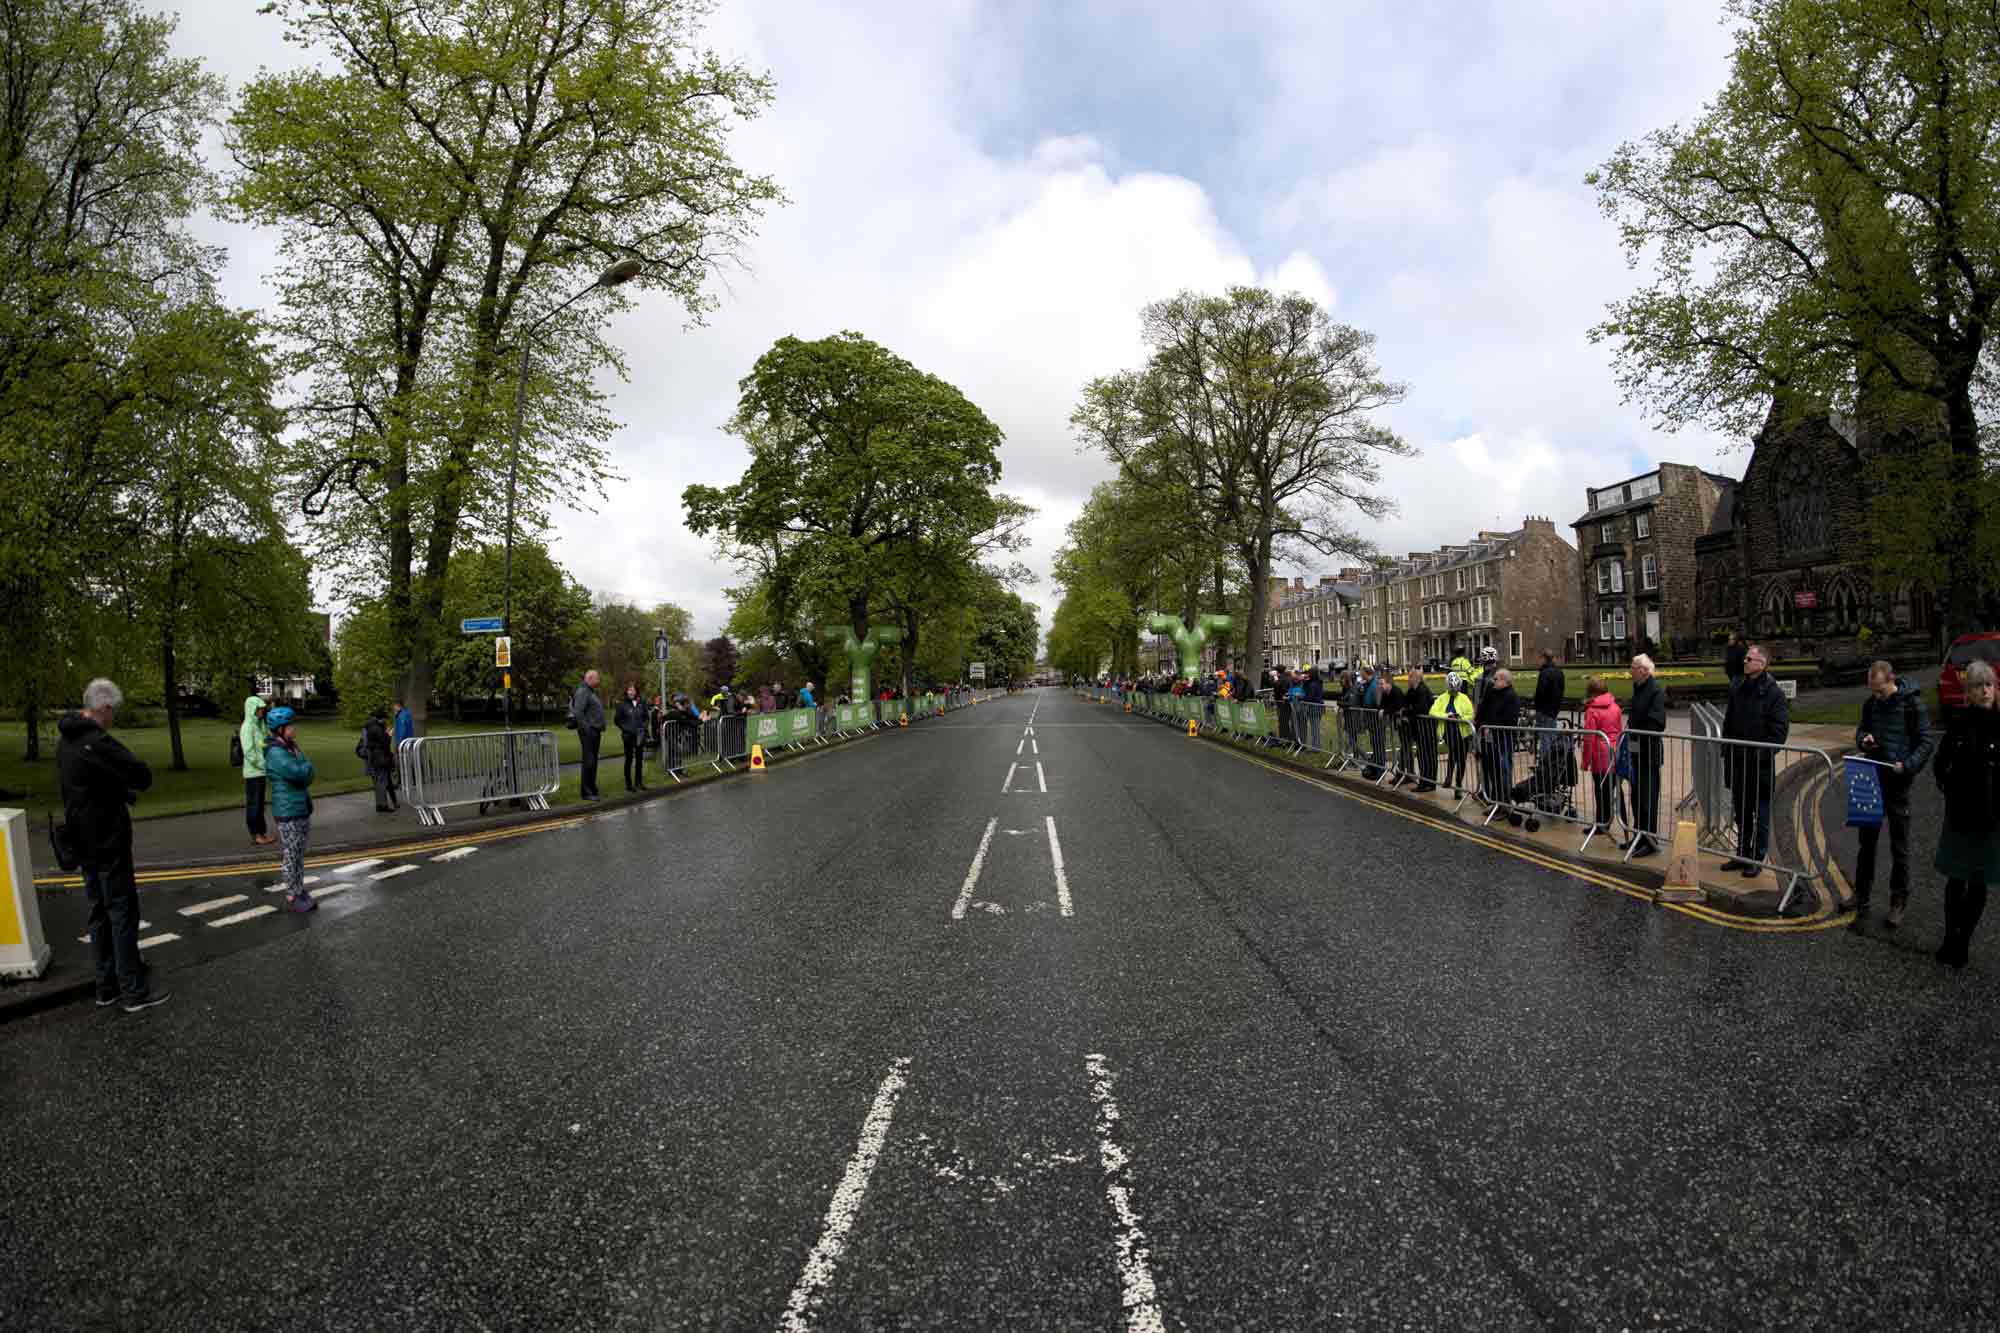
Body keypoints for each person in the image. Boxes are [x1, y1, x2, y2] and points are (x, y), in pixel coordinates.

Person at [57, 679, 166, 1012]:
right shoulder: (97, 742)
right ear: (103, 708)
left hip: (81, 840)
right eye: (113, 711)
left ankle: (106, 987)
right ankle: (133, 989)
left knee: (98, 913)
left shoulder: (66, 741)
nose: (114, 717)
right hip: (108, 839)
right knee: (122, 912)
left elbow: (89, 785)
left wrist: (115, 787)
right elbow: (141, 775)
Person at [1852, 659, 1936, 926]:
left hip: (1898, 782)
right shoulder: (1871, 704)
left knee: (1899, 847)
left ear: (1892, 680)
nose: (1875, 695)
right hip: (1871, 778)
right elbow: (1861, 730)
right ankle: (1860, 895)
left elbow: (1926, 742)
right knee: (1866, 845)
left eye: (1879, 690)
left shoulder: (1912, 704)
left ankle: (1898, 901)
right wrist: (1863, 740)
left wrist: (1908, 765)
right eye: (1872, 690)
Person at [1932, 659, 1999, 967]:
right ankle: (1949, 937)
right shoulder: (1959, 722)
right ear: (1968, 692)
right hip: (1960, 815)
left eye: (1989, 685)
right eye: (1977, 686)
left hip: (1991, 818)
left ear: (1995, 689)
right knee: (1955, 882)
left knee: (1978, 883)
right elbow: (1939, 764)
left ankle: (1962, 942)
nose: (1984, 690)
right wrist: (1952, 789)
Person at [1721, 643, 1789, 876]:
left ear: (1762, 664)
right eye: (1746, 659)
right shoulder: (1738, 687)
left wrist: (1757, 753)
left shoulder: (1774, 693)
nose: (1745, 662)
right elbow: (1728, 722)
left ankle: (1757, 859)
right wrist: (1727, 751)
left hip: (1758, 766)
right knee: (1741, 811)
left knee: (1759, 814)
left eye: (1749, 659)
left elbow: (1779, 734)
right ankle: (1742, 853)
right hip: (1738, 762)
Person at [263, 705, 317, 914]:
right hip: (288, 810)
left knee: (299, 854)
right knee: (291, 855)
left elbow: (304, 772)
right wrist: (307, 768)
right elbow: (300, 773)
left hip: (299, 807)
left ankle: (299, 889)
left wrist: (305, 769)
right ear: (280, 729)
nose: (294, 729)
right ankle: (292, 894)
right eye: (290, 725)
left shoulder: (290, 747)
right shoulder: (277, 753)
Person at [1625, 654, 1667, 857]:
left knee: (1647, 797)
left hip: (1648, 752)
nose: (1630, 671)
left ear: (1644, 670)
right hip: (1636, 751)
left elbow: (1658, 723)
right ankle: (1639, 834)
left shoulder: (1655, 691)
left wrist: (1638, 730)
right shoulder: (1638, 688)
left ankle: (1649, 840)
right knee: (1636, 796)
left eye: (1633, 667)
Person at [1474, 666, 1522, 818]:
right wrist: (1480, 723)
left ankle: (1504, 805)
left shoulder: (1511, 696)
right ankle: (1495, 802)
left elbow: (1510, 720)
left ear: (1505, 681)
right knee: (1493, 772)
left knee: (1503, 772)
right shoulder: (1492, 692)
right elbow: (1482, 709)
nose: (1493, 681)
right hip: (1489, 738)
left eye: (1496, 679)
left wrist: (1490, 725)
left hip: (1503, 739)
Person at [1580, 676, 1625, 834]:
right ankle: (1618, 822)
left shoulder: (1591, 711)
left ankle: (1602, 823)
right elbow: (1619, 731)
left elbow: (1588, 738)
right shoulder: (1616, 707)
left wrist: (1585, 762)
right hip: (1615, 752)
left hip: (1600, 755)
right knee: (1614, 789)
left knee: (1601, 792)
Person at [1431, 672, 1475, 795]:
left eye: (1456, 690)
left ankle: (1458, 784)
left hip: (1463, 732)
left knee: (1461, 758)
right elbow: (1433, 711)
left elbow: (1471, 715)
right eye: (1452, 690)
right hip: (1449, 731)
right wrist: (1447, 716)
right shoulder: (1441, 698)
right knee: (1454, 751)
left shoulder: (1464, 698)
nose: (1454, 692)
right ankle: (1449, 776)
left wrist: (1460, 717)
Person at [240, 693, 273, 846]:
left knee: (260, 804)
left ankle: (262, 833)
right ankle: (256, 835)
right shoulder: (247, 727)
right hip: (253, 772)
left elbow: (262, 744)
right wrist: (262, 764)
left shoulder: (259, 725)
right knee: (254, 804)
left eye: (262, 709)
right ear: (252, 709)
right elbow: (249, 752)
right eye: (259, 709)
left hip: (260, 771)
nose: (262, 712)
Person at [571, 669, 606, 801]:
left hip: (594, 730)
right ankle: (586, 792)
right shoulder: (583, 691)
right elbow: (578, 712)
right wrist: (587, 728)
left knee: (593, 761)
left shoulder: (590, 691)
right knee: (589, 761)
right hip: (588, 732)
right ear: (590, 678)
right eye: (597, 678)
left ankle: (592, 788)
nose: (599, 681)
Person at [1403, 670, 1436, 791]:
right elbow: (1406, 703)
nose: (1408, 680)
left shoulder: (1422, 690)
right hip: (1419, 729)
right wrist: (1406, 710)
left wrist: (1407, 712)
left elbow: (1420, 708)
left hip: (1426, 728)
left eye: (1410, 677)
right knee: (1422, 756)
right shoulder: (1413, 690)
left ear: (1416, 678)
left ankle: (1429, 783)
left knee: (1427, 756)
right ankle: (1424, 781)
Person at [360, 708, 397, 812]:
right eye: (384, 718)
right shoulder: (377, 728)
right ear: (381, 718)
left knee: (377, 782)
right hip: (380, 757)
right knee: (382, 782)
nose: (385, 720)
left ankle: (379, 804)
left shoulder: (368, 726)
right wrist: (389, 734)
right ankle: (383, 805)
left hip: (373, 757)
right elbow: (385, 743)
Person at [1532, 649, 1565, 764]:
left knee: (1544, 737)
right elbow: (1561, 691)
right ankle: (1552, 761)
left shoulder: (1544, 673)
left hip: (1544, 710)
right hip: (1554, 709)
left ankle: (1545, 762)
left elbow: (1540, 692)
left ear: (1544, 658)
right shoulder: (1559, 672)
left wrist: (1537, 706)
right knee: (1551, 735)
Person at [615, 681, 648, 792]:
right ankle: (629, 785)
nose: (631, 692)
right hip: (628, 736)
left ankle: (639, 783)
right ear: (626, 691)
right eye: (629, 690)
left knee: (639, 759)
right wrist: (626, 729)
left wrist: (643, 727)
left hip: (640, 734)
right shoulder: (621, 704)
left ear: (636, 691)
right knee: (629, 759)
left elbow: (646, 717)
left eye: (633, 690)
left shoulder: (641, 702)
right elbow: (617, 720)